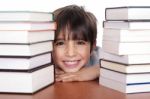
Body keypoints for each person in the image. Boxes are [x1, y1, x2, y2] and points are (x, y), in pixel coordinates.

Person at [52, 5, 100, 82]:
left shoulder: (100, 56)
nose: (71, 54)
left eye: (80, 43)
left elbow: (122, 65)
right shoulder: (42, 60)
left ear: (93, 46)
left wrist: (97, 70)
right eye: (60, 43)